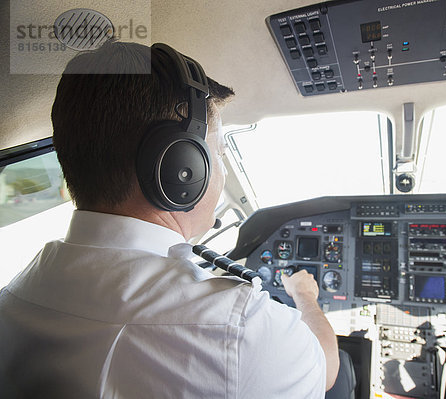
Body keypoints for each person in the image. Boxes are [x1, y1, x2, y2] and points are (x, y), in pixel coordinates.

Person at [0, 41, 339, 398]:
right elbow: (326, 368)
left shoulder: (13, 298)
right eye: (219, 152)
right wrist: (305, 297)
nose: (221, 171)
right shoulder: (238, 328)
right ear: (181, 168)